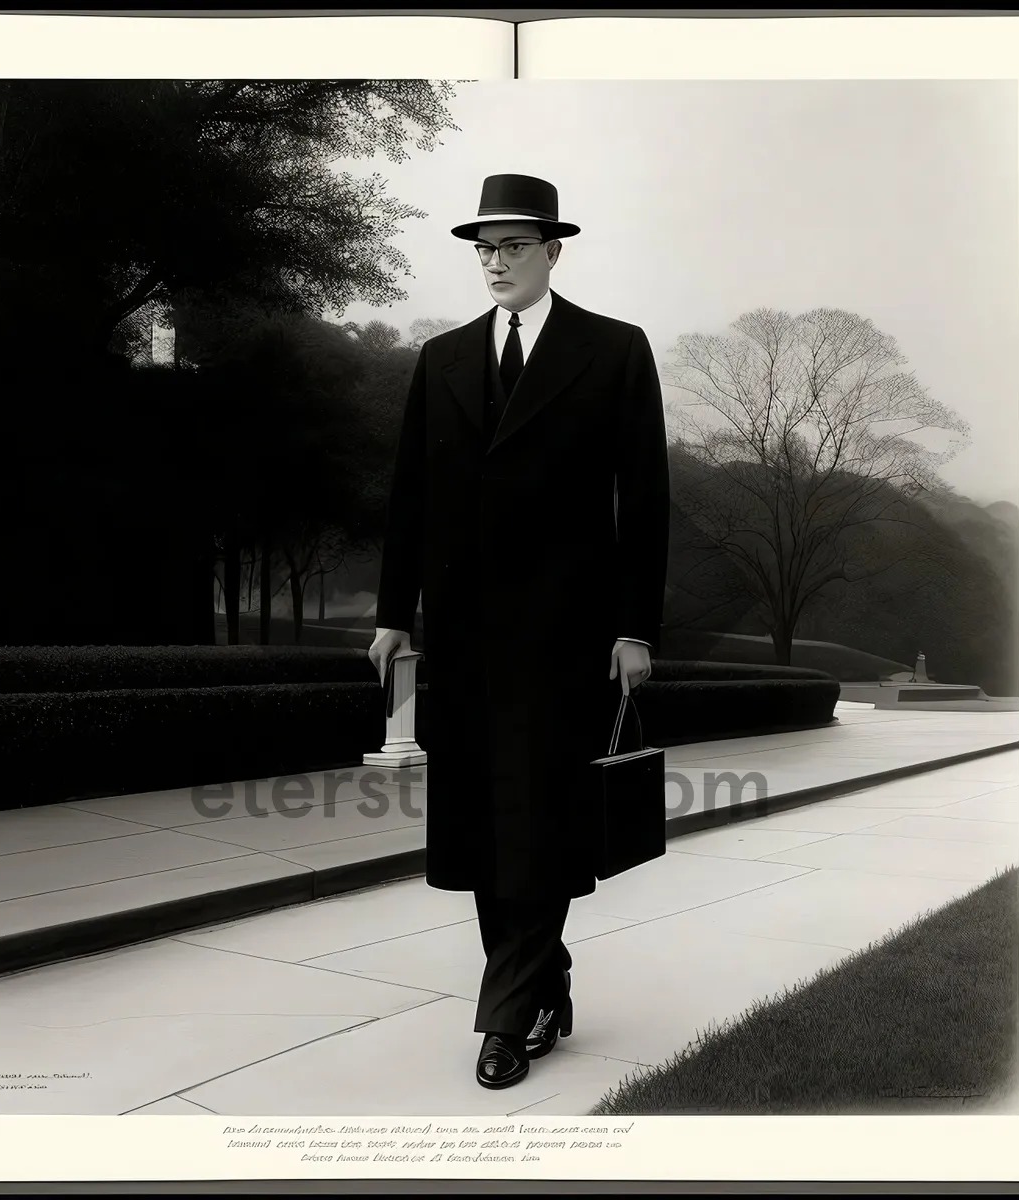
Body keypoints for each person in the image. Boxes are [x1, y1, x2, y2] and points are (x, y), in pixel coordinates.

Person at [369, 173, 670, 1090]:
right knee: (481, 827)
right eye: (483, 249)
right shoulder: (443, 357)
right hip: (461, 633)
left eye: (512, 246)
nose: (495, 263)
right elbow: (410, 496)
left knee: (537, 819)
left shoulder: (615, 351)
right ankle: (545, 982)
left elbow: (646, 501)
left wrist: (633, 629)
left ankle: (506, 1017)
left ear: (552, 250)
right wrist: (391, 613)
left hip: (567, 632)